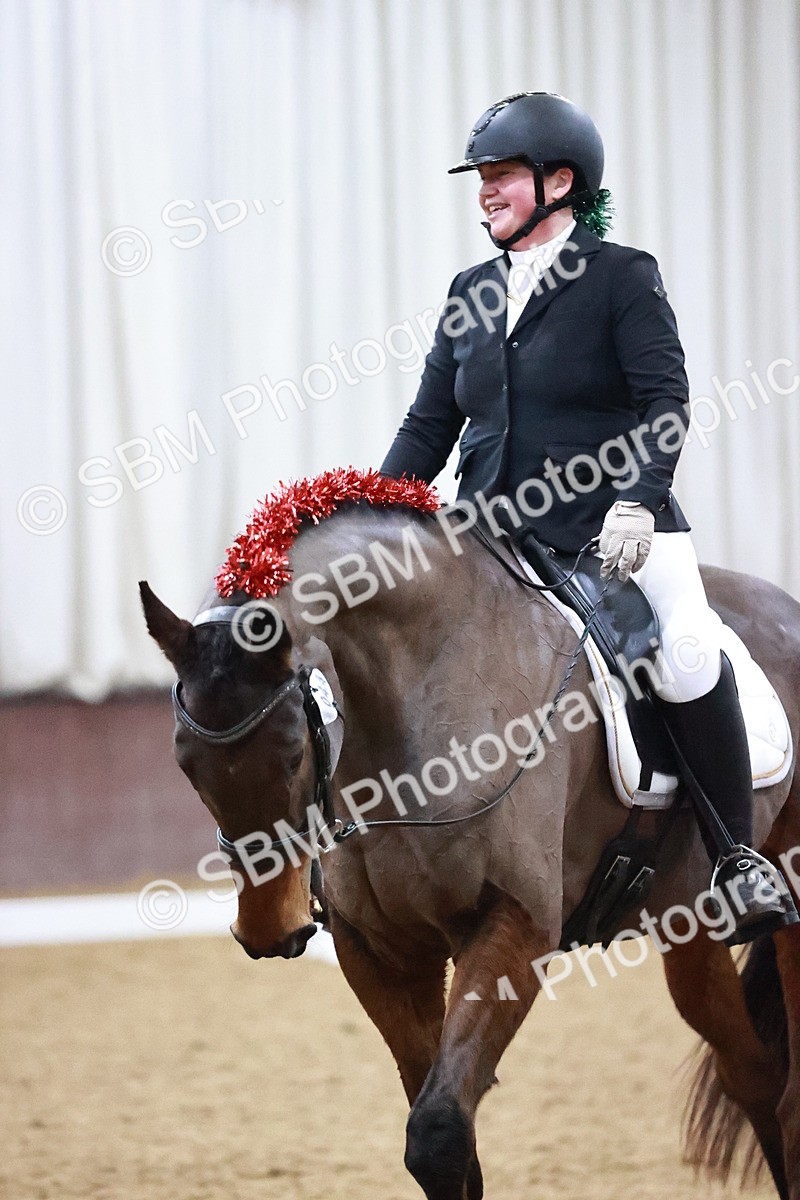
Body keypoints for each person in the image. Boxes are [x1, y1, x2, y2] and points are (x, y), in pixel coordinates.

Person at [380, 90, 796, 943]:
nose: (486, 191)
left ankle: (736, 860)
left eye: (501, 176)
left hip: (612, 532)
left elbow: (665, 401)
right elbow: (430, 425)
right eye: (482, 178)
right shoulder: (470, 293)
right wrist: (376, 518)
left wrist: (638, 500)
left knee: (683, 651)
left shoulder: (620, 277)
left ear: (560, 180)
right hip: (489, 539)